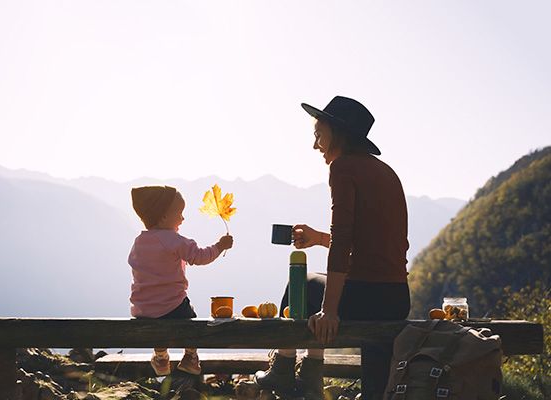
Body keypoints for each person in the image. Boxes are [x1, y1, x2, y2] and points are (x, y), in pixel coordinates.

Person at [255, 96, 410, 400]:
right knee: (375, 391)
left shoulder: (343, 168)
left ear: (338, 134)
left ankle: (286, 369)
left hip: (365, 297)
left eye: (318, 135)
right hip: (395, 298)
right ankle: (315, 378)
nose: (316, 145)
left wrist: (329, 310)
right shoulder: (385, 171)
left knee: (301, 282)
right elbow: (372, 243)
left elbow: (342, 242)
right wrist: (317, 238)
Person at [128, 185, 233, 376]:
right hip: (172, 308)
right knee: (189, 318)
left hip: (142, 310)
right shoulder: (174, 241)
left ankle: (160, 358)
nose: (183, 218)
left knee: (157, 322)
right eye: (179, 213)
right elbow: (200, 256)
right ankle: (190, 357)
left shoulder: (138, 242)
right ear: (163, 217)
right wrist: (219, 246)